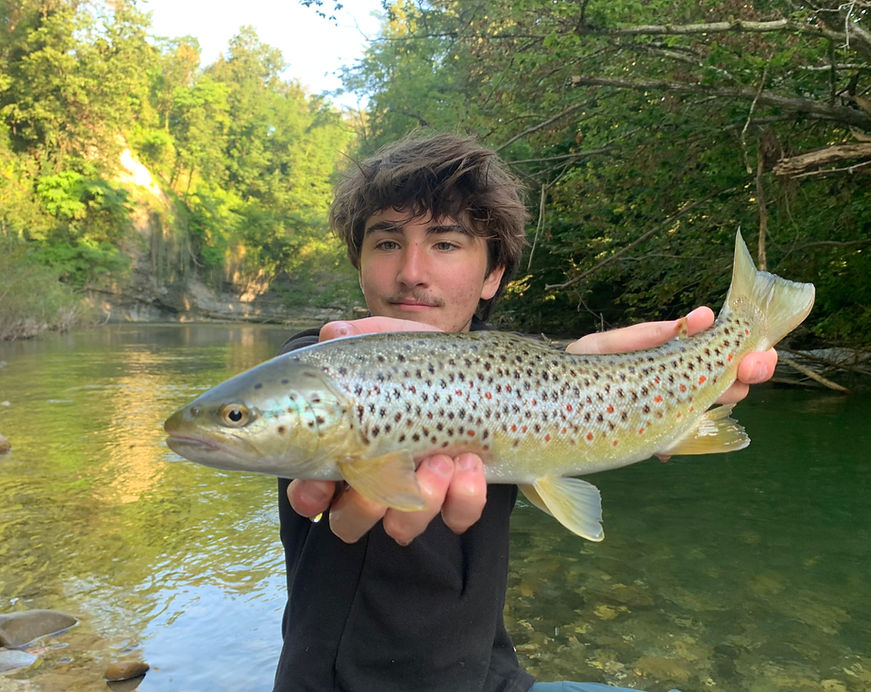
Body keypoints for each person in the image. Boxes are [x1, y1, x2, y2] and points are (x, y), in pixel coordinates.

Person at [272, 132, 778, 692]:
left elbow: (553, 378)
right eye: (387, 243)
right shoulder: (317, 368)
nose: (411, 270)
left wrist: (655, 402)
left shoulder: (526, 371)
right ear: (359, 263)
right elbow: (313, 370)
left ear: (493, 275)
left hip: (495, 681)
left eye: (445, 244)